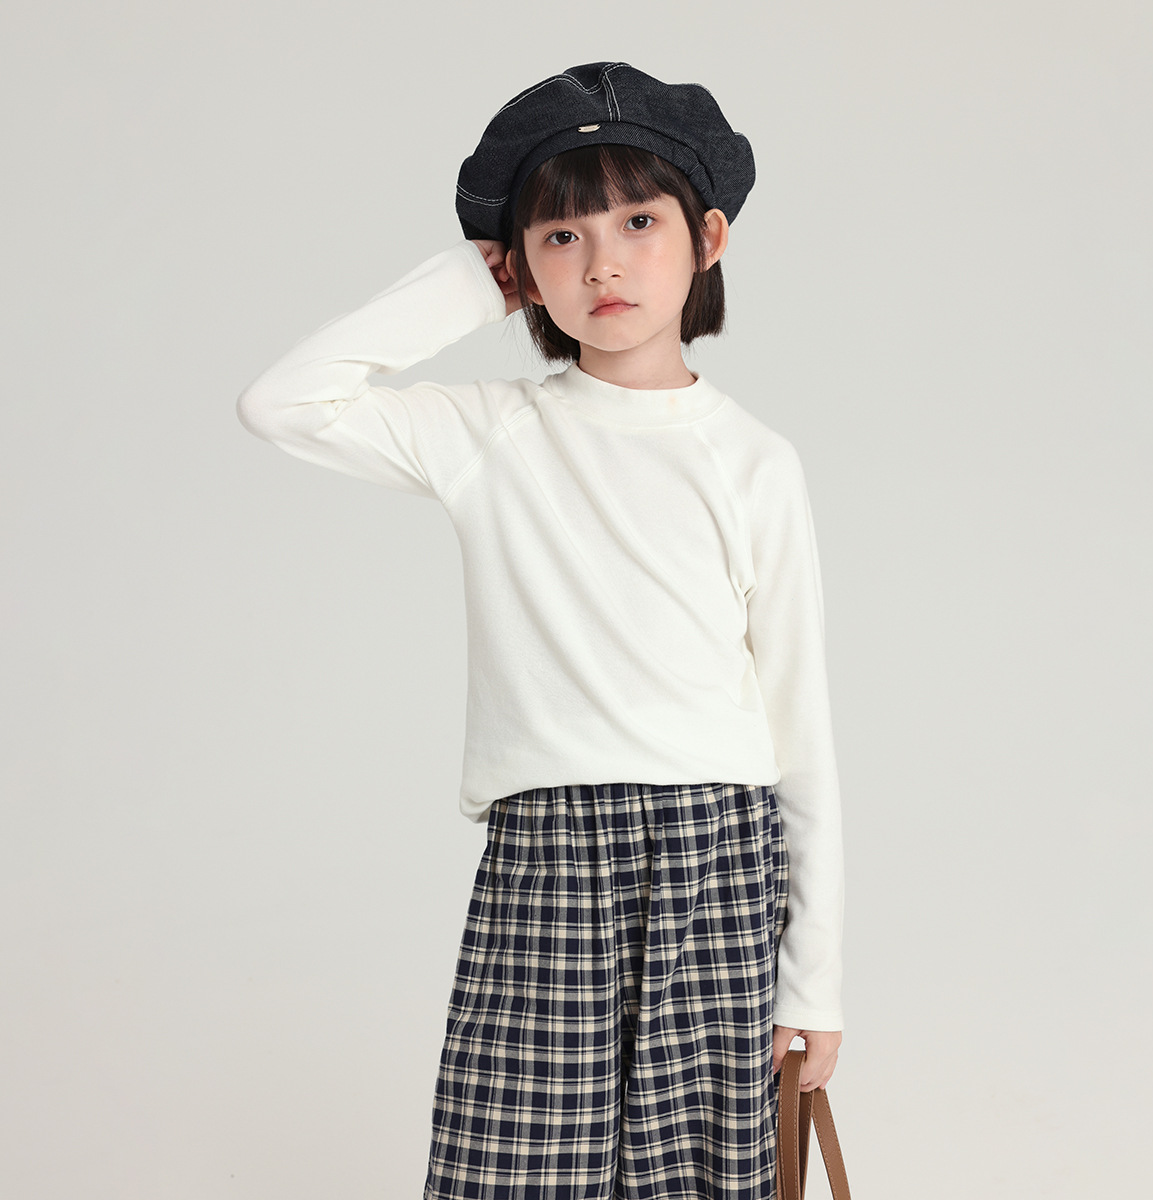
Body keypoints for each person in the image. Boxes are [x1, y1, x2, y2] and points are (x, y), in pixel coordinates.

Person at [237, 61, 845, 1200]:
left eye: (638, 222)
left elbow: (800, 726)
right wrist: (468, 290)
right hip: (549, 855)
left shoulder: (754, 461)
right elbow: (283, 403)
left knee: (703, 1176)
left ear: (708, 239)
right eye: (561, 236)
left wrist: (815, 980)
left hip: (717, 858)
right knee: (515, 1169)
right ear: (520, 266)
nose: (603, 262)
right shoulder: (489, 435)